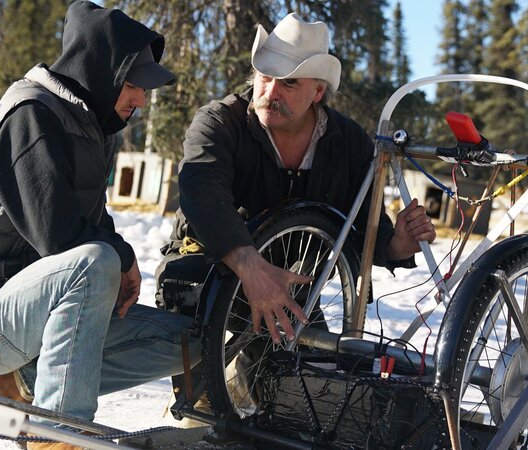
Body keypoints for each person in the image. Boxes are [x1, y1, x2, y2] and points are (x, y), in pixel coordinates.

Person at [0, 2, 198, 447]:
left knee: (192, 342)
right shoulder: (30, 115)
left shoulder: (96, 127)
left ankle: (37, 382)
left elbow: (91, 219)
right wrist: (122, 258)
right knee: (95, 262)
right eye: (133, 85)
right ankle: (59, 437)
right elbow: (58, 235)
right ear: (100, 72)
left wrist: (118, 259)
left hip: (33, 312)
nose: (142, 99)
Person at [159, 13, 436, 344]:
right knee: (201, 382)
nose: (270, 91)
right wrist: (250, 267)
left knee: (311, 388)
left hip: (294, 294)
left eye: (289, 82)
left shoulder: (348, 142)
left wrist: (396, 245)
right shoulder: (219, 123)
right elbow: (201, 193)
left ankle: (248, 374)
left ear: (318, 91)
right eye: (265, 76)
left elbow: (360, 227)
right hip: (207, 273)